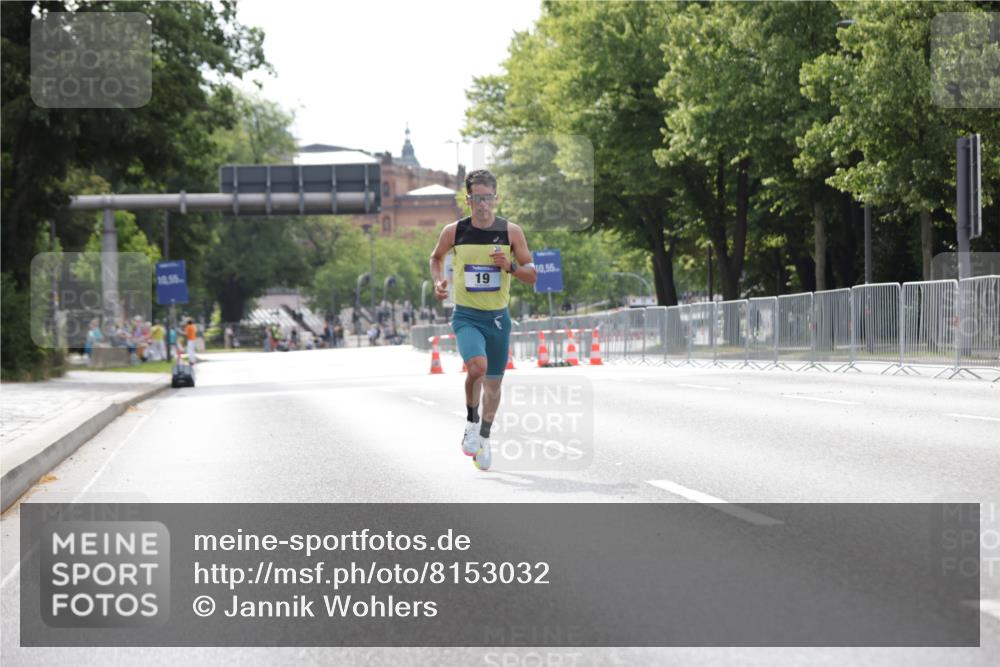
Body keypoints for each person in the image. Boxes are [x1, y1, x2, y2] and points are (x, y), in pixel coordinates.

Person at [429, 169, 537, 471]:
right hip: (467, 315)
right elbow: (435, 257)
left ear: (496, 198)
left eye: (488, 198)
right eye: (477, 198)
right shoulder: (454, 231)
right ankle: (471, 422)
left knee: (494, 385)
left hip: (499, 318)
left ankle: (485, 437)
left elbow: (532, 274)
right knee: (478, 366)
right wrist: (439, 281)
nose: (483, 204)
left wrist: (511, 266)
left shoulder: (511, 232)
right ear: (468, 199)